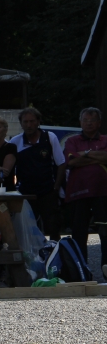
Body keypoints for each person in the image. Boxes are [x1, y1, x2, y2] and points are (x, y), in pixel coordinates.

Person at [9, 107, 65, 241]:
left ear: (38, 122)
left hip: (47, 191)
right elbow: (10, 169)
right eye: (25, 121)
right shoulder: (15, 142)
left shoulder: (49, 138)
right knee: (27, 230)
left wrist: (56, 189)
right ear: (21, 123)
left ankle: (55, 257)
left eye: (32, 121)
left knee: (53, 227)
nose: (29, 125)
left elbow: (61, 164)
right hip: (26, 192)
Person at [64, 107, 107, 268]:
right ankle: (81, 270)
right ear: (80, 122)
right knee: (79, 233)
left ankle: (106, 269)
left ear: (99, 123)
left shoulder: (105, 139)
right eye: (85, 120)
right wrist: (98, 158)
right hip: (78, 192)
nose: (88, 123)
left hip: (103, 192)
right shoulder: (72, 141)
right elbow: (71, 161)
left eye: (92, 120)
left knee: (105, 233)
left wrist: (85, 153)